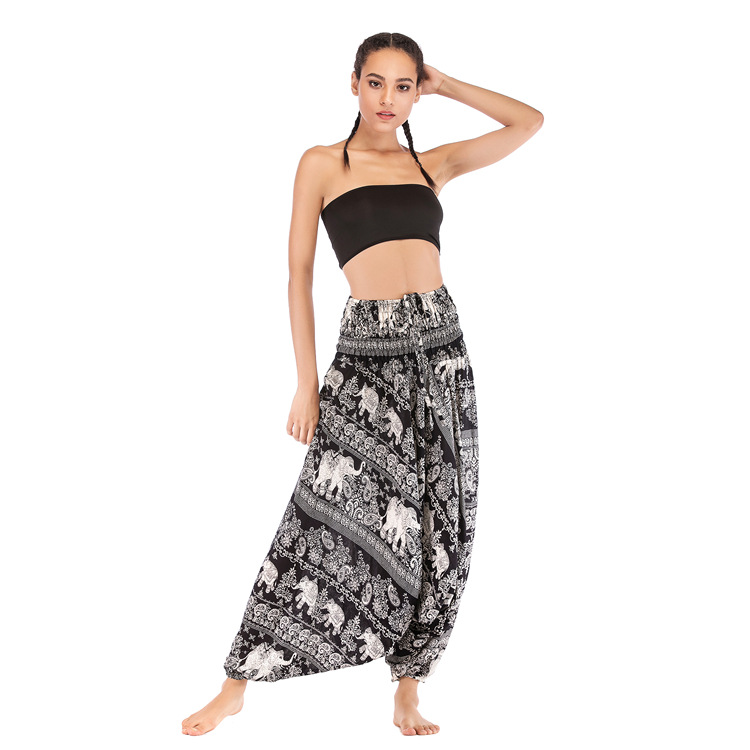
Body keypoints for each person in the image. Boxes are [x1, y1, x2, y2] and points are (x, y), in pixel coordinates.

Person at [182, 31, 543, 738]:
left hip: (442, 355)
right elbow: (298, 274)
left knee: (443, 521)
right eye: (376, 82)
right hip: (366, 359)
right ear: (354, 85)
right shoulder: (322, 163)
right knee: (319, 514)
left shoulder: (430, 164)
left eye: (404, 86)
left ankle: (409, 687)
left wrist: (447, 83)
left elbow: (528, 123)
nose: (388, 99)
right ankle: (237, 682)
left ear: (417, 92)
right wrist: (306, 382)